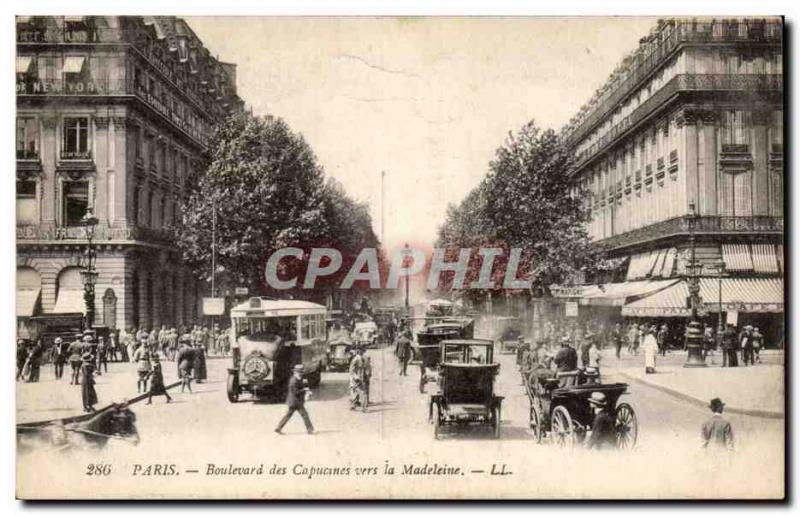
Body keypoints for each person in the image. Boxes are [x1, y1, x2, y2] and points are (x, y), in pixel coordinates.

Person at [275, 364, 314, 435]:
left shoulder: (299, 379)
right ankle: (310, 429)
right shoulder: (293, 381)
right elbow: (296, 392)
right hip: (295, 402)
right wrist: (304, 390)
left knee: (288, 415)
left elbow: (304, 385)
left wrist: (306, 388)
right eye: (300, 373)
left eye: (301, 372)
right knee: (304, 415)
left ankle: (278, 428)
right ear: (295, 373)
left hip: (295, 401)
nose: (301, 374)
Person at [349, 347, 367, 411]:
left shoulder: (360, 358)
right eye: (362, 351)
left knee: (355, 392)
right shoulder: (357, 359)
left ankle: (353, 405)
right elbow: (352, 370)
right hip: (357, 378)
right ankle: (363, 407)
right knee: (362, 392)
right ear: (359, 351)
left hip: (358, 378)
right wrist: (356, 377)